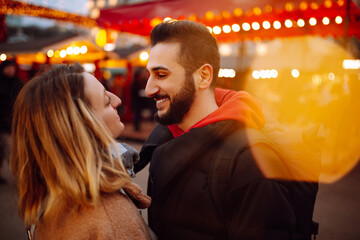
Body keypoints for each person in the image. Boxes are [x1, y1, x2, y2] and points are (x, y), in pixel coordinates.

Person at [134, 20, 318, 240]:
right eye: (149, 74)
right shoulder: (163, 141)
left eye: (161, 75)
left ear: (203, 76)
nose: (148, 89)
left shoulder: (253, 160)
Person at [10, 63, 152, 240]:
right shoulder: (108, 214)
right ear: (82, 124)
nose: (117, 100)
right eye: (106, 101)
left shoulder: (53, 196)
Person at [0, 59, 23, 184]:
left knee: (11, 150)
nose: (10, 70)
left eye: (12, 67)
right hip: (3, 122)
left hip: (11, 124)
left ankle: (22, 175)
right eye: (8, 67)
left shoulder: (17, 83)